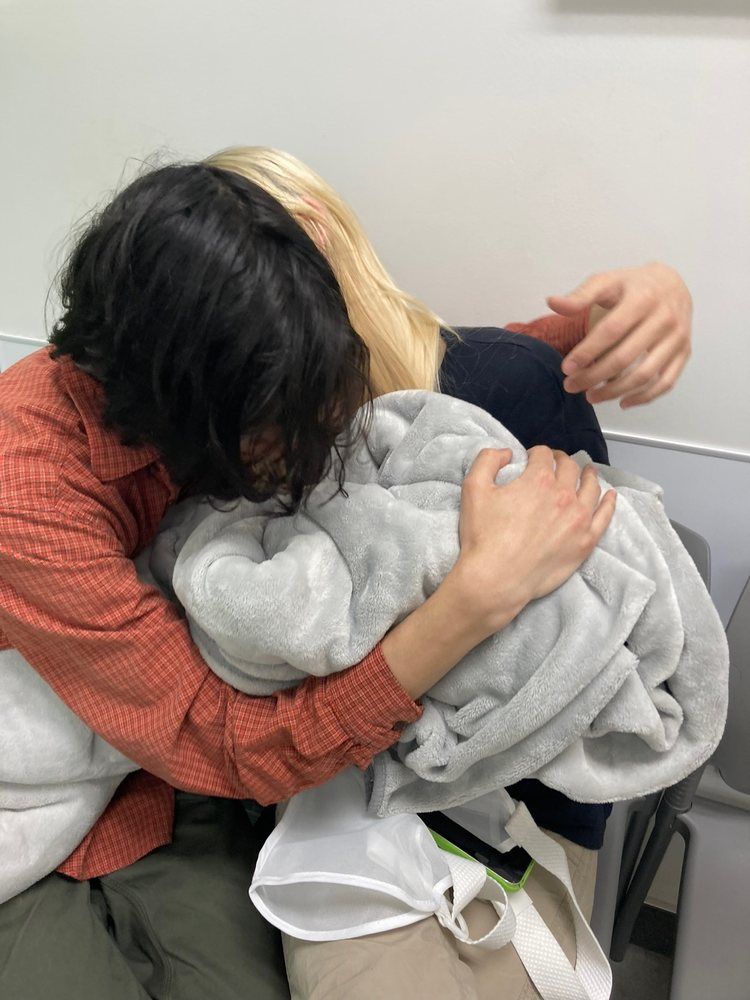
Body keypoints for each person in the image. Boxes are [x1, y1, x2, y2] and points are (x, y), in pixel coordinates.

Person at [0, 152, 692, 1000]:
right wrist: (473, 602)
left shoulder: (213, 331)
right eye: (280, 430)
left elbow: (443, 370)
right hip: (102, 778)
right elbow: (220, 739)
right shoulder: (34, 489)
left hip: (210, 792)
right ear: (191, 413)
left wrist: (639, 302)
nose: (314, 446)